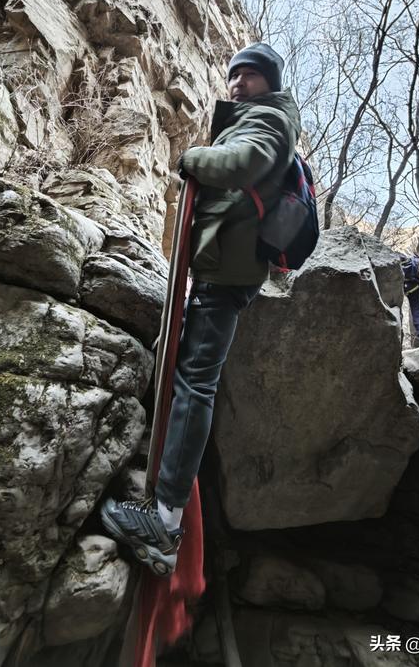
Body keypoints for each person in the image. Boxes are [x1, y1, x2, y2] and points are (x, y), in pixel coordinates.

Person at [101, 43, 301, 575]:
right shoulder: (257, 115)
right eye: (233, 75)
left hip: (226, 274)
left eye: (251, 75)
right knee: (191, 376)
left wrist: (190, 158)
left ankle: (164, 519)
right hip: (219, 270)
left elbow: (242, 163)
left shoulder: (272, 119)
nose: (237, 83)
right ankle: (164, 503)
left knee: (195, 382)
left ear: (270, 83)